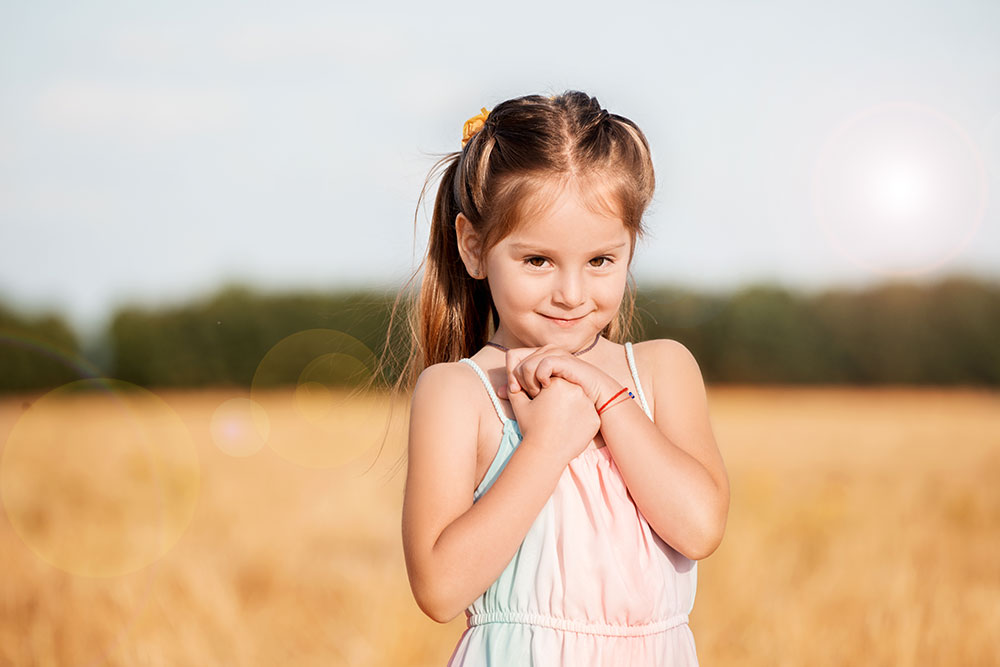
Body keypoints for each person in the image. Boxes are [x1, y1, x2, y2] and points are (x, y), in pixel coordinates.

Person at [397, 90, 730, 666]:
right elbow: (439, 589)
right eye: (537, 261)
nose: (572, 294)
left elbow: (699, 528)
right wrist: (548, 445)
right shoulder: (460, 392)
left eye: (601, 261)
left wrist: (607, 398)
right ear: (474, 248)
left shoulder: (661, 370)